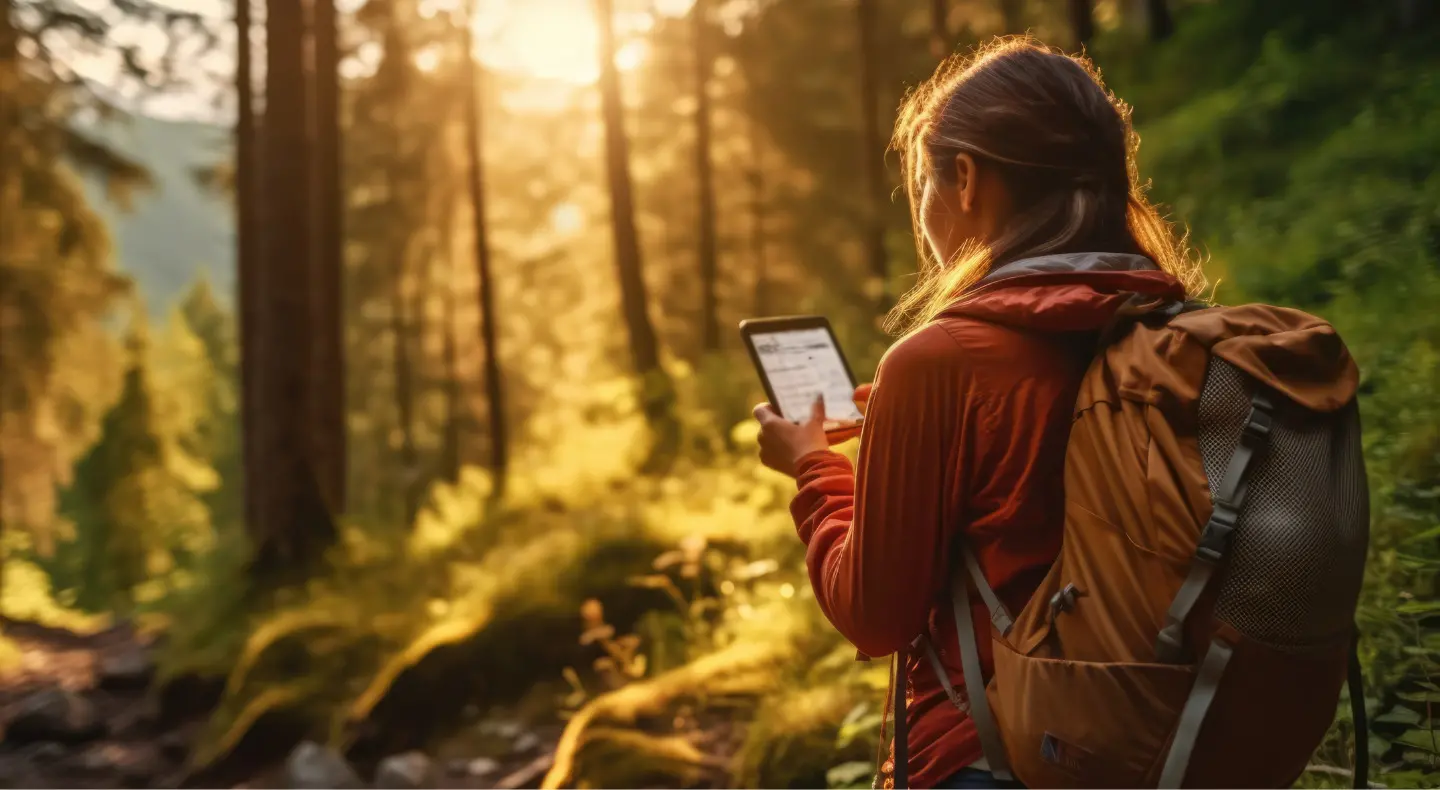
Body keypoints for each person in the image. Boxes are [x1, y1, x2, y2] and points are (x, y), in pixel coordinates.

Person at [752, 37, 1207, 790]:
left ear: (964, 179)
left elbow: (874, 614)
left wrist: (811, 466)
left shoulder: (940, 362)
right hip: (1169, 741)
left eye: (923, 185)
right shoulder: (1172, 329)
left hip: (994, 754)